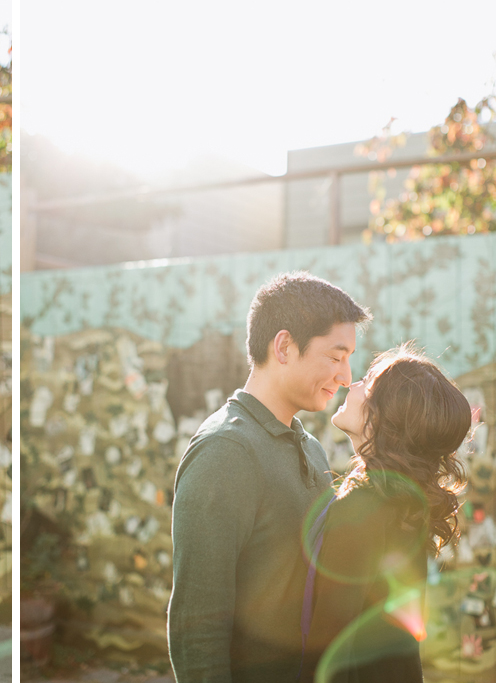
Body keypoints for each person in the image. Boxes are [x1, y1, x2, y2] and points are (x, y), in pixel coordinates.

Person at [168, 271, 371, 682]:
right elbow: (197, 629)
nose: (346, 375)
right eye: (335, 356)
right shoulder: (224, 452)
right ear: (283, 346)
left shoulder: (310, 447)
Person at [298, 345, 470, 683]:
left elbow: (328, 650)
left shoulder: (362, 509)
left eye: (368, 383)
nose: (353, 384)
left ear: (387, 417)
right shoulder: (403, 505)